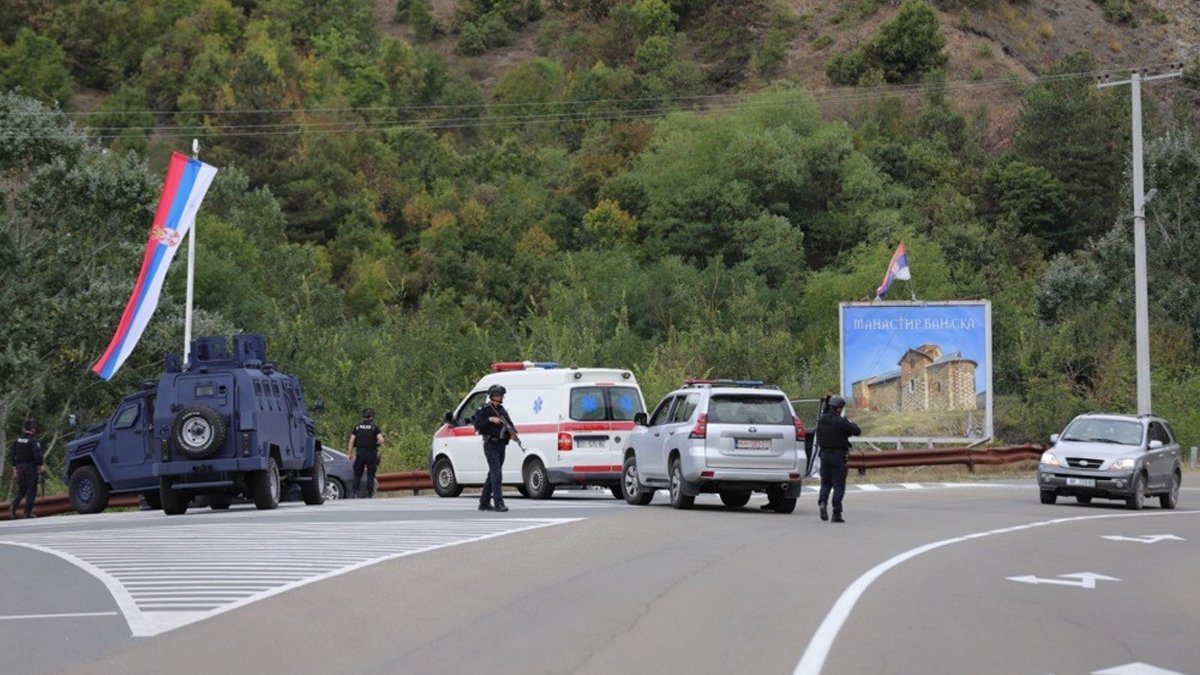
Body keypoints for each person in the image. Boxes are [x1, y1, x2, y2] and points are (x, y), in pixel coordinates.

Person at [815, 395, 860, 523]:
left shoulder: (821, 420)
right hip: (838, 457)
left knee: (825, 483)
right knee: (838, 485)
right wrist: (850, 423)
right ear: (839, 408)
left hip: (824, 455)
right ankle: (836, 513)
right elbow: (857, 431)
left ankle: (823, 502)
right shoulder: (840, 421)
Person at [472, 385, 518, 512]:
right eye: (499, 395)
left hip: (501, 444)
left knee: (492, 473)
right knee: (496, 473)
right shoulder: (484, 409)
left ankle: (484, 502)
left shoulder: (502, 410)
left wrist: (513, 433)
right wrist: (490, 419)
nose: (501, 398)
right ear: (493, 396)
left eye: (502, 396)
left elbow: (510, 424)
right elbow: (477, 425)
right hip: (490, 444)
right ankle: (499, 503)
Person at [7, 419, 44, 519]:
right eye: (34, 427)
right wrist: (40, 466)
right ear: (32, 428)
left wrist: (15, 467)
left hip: (19, 467)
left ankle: (13, 508)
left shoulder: (17, 440)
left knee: (21, 490)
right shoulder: (33, 441)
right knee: (31, 489)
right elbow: (38, 456)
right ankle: (27, 512)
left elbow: (12, 455)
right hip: (30, 467)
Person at [347, 408, 384, 499]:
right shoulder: (374, 427)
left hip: (360, 453)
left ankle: (355, 492)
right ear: (371, 417)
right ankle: (369, 493)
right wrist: (377, 443)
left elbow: (351, 441)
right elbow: (381, 440)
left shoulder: (357, 427)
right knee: (370, 474)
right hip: (371, 453)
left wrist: (350, 453)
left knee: (357, 473)